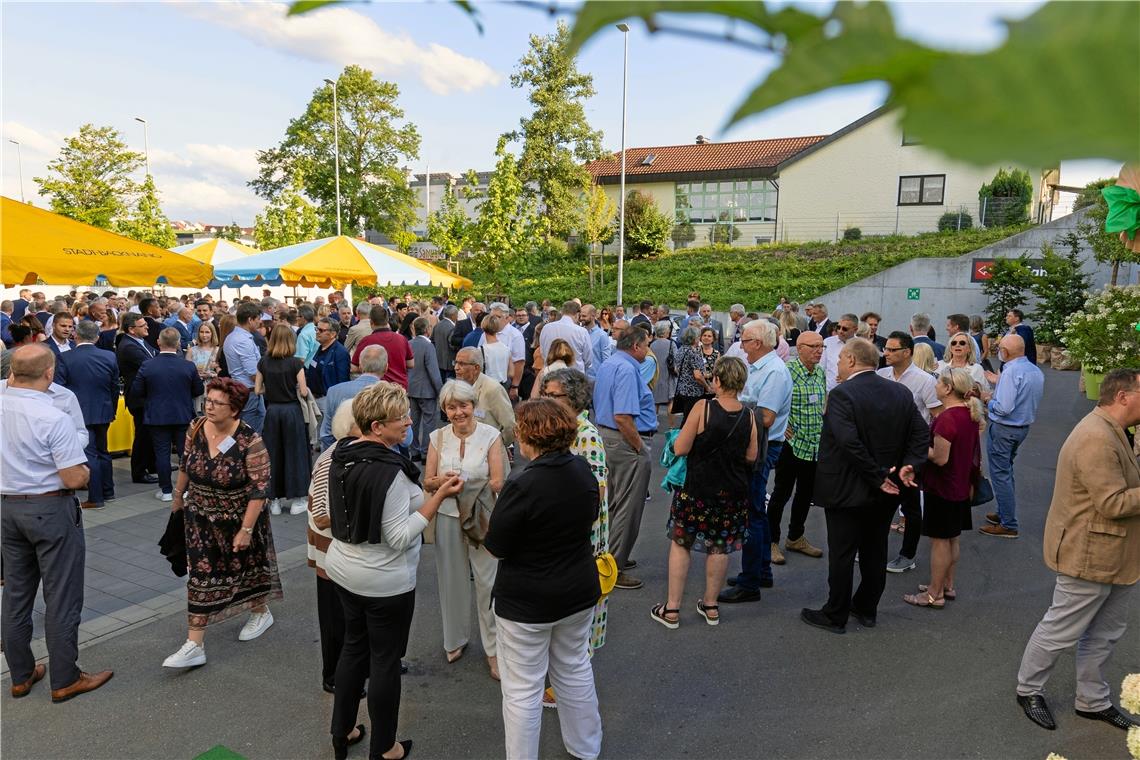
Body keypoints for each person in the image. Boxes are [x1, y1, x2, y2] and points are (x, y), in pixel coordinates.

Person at [325, 382, 463, 760]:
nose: (407, 422)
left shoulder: (341, 452)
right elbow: (401, 537)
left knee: (354, 648)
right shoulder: (392, 474)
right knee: (384, 660)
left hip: (343, 567)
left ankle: (343, 732)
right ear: (375, 428)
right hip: (383, 580)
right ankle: (385, 747)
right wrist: (438, 496)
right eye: (398, 418)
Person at [1015, 368, 1140, 733]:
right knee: (1062, 629)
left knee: (1105, 632)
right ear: (1123, 396)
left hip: (1115, 554)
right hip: (1090, 553)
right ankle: (1028, 690)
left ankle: (1092, 701)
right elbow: (1113, 503)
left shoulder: (1115, 430)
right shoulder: (1096, 437)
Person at [484, 398, 603, 760]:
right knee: (574, 667)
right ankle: (586, 748)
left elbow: (496, 546)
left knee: (522, 689)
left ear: (528, 438)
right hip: (578, 590)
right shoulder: (583, 470)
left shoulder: (522, 485)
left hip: (527, 600)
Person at [2, 345, 114, 702]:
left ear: (13, 372)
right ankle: (65, 677)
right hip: (49, 508)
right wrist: (82, 469)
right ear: (49, 373)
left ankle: (20, 674)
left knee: (16, 594)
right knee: (61, 596)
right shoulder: (52, 416)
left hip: (8, 507)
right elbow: (73, 479)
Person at [801, 338, 928, 634]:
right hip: (887, 489)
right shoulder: (900, 391)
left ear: (850, 360)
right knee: (875, 549)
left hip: (849, 487)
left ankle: (836, 613)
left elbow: (849, 443)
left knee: (843, 553)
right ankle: (867, 607)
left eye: (840, 359)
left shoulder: (842, 394)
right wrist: (911, 463)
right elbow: (921, 433)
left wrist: (877, 474)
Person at [163, 378, 282, 668]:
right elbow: (186, 463)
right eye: (208, 400)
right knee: (201, 576)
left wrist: (246, 529)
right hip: (200, 517)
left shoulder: (249, 440)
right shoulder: (195, 427)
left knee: (247, 570)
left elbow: (260, 489)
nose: (209, 406)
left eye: (217, 403)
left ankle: (260, 611)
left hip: (240, 519)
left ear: (235, 409)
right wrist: (178, 498)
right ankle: (194, 644)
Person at [652, 357, 757, 629]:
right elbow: (752, 455)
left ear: (717, 380)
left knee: (681, 543)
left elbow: (681, 448)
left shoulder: (703, 408)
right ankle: (711, 605)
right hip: (732, 492)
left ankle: (672, 609)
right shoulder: (749, 415)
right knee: (720, 547)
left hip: (697, 488)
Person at [423, 380, 506, 677]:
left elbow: (497, 481)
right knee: (451, 580)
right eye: (451, 407)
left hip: (481, 517)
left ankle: (494, 650)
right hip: (446, 515)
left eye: (464, 405)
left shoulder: (491, 435)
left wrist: (465, 485)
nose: (458, 412)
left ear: (474, 405)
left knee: (488, 583)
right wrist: (442, 482)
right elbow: (427, 480)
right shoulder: (437, 437)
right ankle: (454, 639)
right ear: (445, 409)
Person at [539, 368, 611, 655]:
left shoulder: (586, 434)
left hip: (583, 532)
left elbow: (596, 491)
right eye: (545, 394)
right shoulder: (563, 428)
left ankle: (572, 675)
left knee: (581, 607)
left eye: (553, 395)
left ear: (574, 397)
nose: (547, 399)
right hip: (566, 528)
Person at [903, 368, 985, 609]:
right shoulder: (969, 414)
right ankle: (947, 584)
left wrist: (916, 447)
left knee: (939, 541)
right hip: (961, 485)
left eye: (938, 382)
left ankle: (933, 593)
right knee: (952, 539)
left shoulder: (947, 418)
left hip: (943, 487)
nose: (935, 385)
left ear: (948, 388)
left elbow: (939, 458)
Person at [720, 319, 790, 602]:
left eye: (745, 340)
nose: (740, 344)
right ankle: (760, 572)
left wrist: (730, 409)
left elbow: (766, 417)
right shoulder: (762, 366)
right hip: (759, 443)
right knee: (755, 511)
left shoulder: (774, 371)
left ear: (758, 343)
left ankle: (751, 582)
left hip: (762, 445)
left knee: (751, 512)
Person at [593, 328, 658, 590]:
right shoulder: (628, 369)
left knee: (615, 504)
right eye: (646, 345)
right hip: (624, 440)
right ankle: (614, 566)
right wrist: (640, 447)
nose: (648, 350)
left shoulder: (611, 362)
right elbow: (623, 416)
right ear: (636, 346)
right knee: (627, 508)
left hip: (609, 437)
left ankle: (611, 556)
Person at [877, 331, 943, 573]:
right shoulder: (882, 375)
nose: (886, 353)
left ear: (907, 352)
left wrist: (925, 452)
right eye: (886, 349)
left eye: (892, 350)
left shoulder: (924, 381)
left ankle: (907, 555)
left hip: (911, 453)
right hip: (884, 450)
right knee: (880, 503)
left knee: (910, 505)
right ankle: (873, 550)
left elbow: (937, 417)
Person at [306, 400, 357, 694]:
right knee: (335, 618)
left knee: (346, 615)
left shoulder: (346, 453)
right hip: (331, 554)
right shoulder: (332, 458)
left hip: (338, 553)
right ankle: (334, 676)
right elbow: (323, 515)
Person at [767, 330, 827, 560]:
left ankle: (795, 538)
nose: (819, 351)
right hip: (791, 444)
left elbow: (822, 402)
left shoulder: (820, 372)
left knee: (805, 493)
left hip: (814, 444)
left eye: (821, 346)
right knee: (781, 493)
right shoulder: (786, 371)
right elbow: (773, 401)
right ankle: (772, 541)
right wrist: (783, 427)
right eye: (813, 346)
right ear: (799, 348)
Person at [979, 334, 1044, 539]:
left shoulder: (1010, 371)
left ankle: (1008, 522)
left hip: (1004, 428)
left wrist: (987, 400)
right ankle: (1004, 513)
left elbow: (1004, 407)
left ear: (1005, 352)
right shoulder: (1034, 370)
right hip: (1021, 427)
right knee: (1006, 470)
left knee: (1000, 474)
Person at [132, 328, 204, 501]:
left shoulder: (148, 365)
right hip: (182, 414)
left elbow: (137, 390)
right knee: (184, 453)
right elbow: (198, 389)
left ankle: (165, 490)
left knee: (162, 453)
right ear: (178, 343)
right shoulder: (187, 365)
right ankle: (185, 489)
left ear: (158, 342)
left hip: (157, 415)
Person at [55, 321, 119, 509]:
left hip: (79, 411)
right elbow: (114, 387)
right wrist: (112, 409)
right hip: (103, 409)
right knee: (103, 452)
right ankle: (108, 491)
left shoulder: (66, 357)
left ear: (76, 335)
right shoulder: (109, 356)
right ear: (97, 337)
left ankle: (96, 497)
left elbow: (60, 389)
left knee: (90, 454)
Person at [256, 324, 312, 516]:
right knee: (295, 453)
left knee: (273, 454)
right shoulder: (296, 363)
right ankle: (298, 499)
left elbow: (257, 390)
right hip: (292, 411)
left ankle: (274, 501)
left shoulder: (263, 362)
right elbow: (303, 391)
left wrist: (272, 390)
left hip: (272, 411)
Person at [321, 345, 389, 451]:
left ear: (360, 366)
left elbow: (326, 434)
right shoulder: (392, 394)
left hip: (344, 454)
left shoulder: (334, 391)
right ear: (386, 367)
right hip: (383, 456)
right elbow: (406, 439)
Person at [118, 312, 158, 484]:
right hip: (139, 398)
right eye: (142, 325)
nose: (147, 327)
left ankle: (151, 464)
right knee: (142, 435)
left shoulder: (140, 341)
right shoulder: (129, 346)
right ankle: (139, 471)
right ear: (132, 329)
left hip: (147, 396)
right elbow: (151, 364)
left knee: (149, 433)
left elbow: (157, 354)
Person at [453, 347, 516, 446]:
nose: (456, 367)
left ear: (476, 368)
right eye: (455, 362)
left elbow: (510, 425)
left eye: (462, 364)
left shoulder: (493, 389)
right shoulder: (457, 387)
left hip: (489, 454)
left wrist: (498, 446)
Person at [224, 302, 267, 433]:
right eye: (258, 319)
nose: (260, 322)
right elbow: (253, 373)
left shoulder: (234, 336)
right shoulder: (242, 340)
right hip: (248, 391)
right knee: (251, 433)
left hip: (246, 390)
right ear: (250, 319)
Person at [353, 305, 414, 389]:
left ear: (371, 322)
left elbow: (354, 367)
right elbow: (411, 363)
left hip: (376, 389)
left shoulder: (367, 341)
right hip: (399, 387)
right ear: (387, 321)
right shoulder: (401, 338)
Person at [407, 317, 442, 462]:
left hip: (412, 388)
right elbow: (433, 371)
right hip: (427, 391)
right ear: (428, 329)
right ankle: (426, 452)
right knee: (429, 422)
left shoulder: (409, 343)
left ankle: (414, 450)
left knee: (413, 421)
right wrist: (440, 390)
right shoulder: (429, 346)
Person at [539, 301, 592, 375]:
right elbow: (588, 359)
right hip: (574, 377)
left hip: (550, 374)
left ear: (562, 312)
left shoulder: (546, 328)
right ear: (577, 314)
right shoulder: (581, 332)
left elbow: (543, 352)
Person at [311, 317, 350, 413]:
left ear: (333, 334)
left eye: (321, 330)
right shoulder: (321, 347)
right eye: (316, 328)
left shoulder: (340, 352)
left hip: (328, 402)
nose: (317, 332)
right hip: (314, 399)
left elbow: (343, 382)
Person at [187, 320, 220, 414]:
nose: (204, 335)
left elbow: (223, 372)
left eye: (207, 332)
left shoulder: (218, 351)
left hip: (213, 388)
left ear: (212, 333)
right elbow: (186, 371)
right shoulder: (192, 351)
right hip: (196, 388)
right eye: (202, 332)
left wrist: (211, 374)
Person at [821, 313, 858, 391]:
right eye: (838, 327)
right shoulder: (828, 342)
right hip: (830, 392)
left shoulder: (862, 345)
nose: (840, 331)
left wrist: (848, 377)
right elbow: (821, 367)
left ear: (855, 329)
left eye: (845, 329)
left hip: (853, 392)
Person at [650, 321, 677, 417]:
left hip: (655, 374)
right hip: (668, 375)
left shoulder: (652, 344)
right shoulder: (671, 344)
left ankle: (652, 423)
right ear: (666, 331)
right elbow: (676, 360)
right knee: (670, 401)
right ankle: (671, 428)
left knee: (655, 401)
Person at [480, 314, 512, 386]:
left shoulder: (481, 350)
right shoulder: (506, 348)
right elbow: (511, 373)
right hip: (503, 386)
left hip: (487, 386)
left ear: (483, 327)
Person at [433, 304, 458, 383]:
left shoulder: (437, 325)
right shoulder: (452, 328)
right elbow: (452, 345)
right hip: (449, 364)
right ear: (453, 315)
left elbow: (432, 341)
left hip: (438, 361)